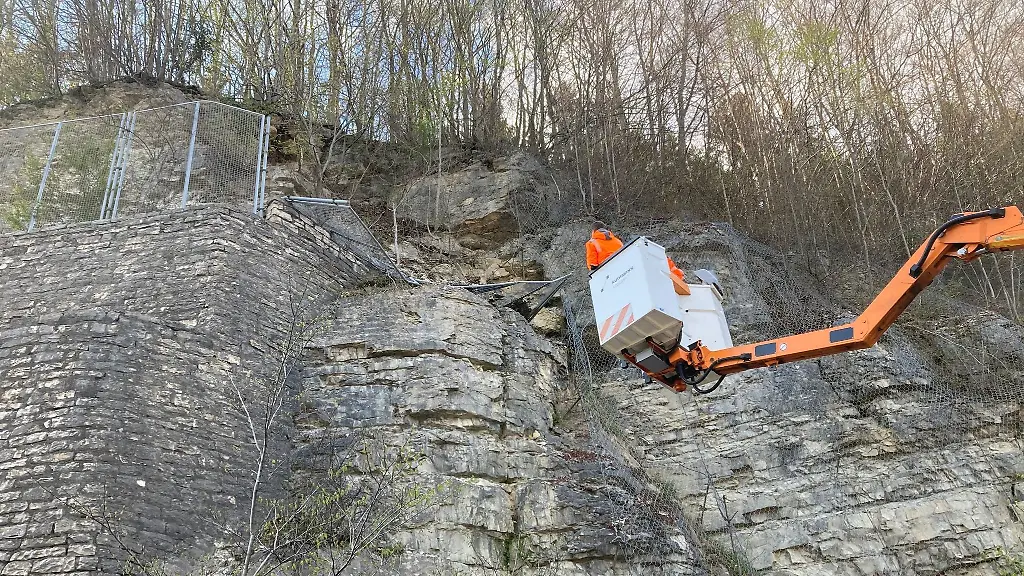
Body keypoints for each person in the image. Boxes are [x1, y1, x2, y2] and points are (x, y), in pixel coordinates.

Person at [585, 221, 685, 280]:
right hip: (624, 270)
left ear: (593, 231)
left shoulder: (591, 242)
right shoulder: (617, 241)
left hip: (607, 272)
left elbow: (593, 264)